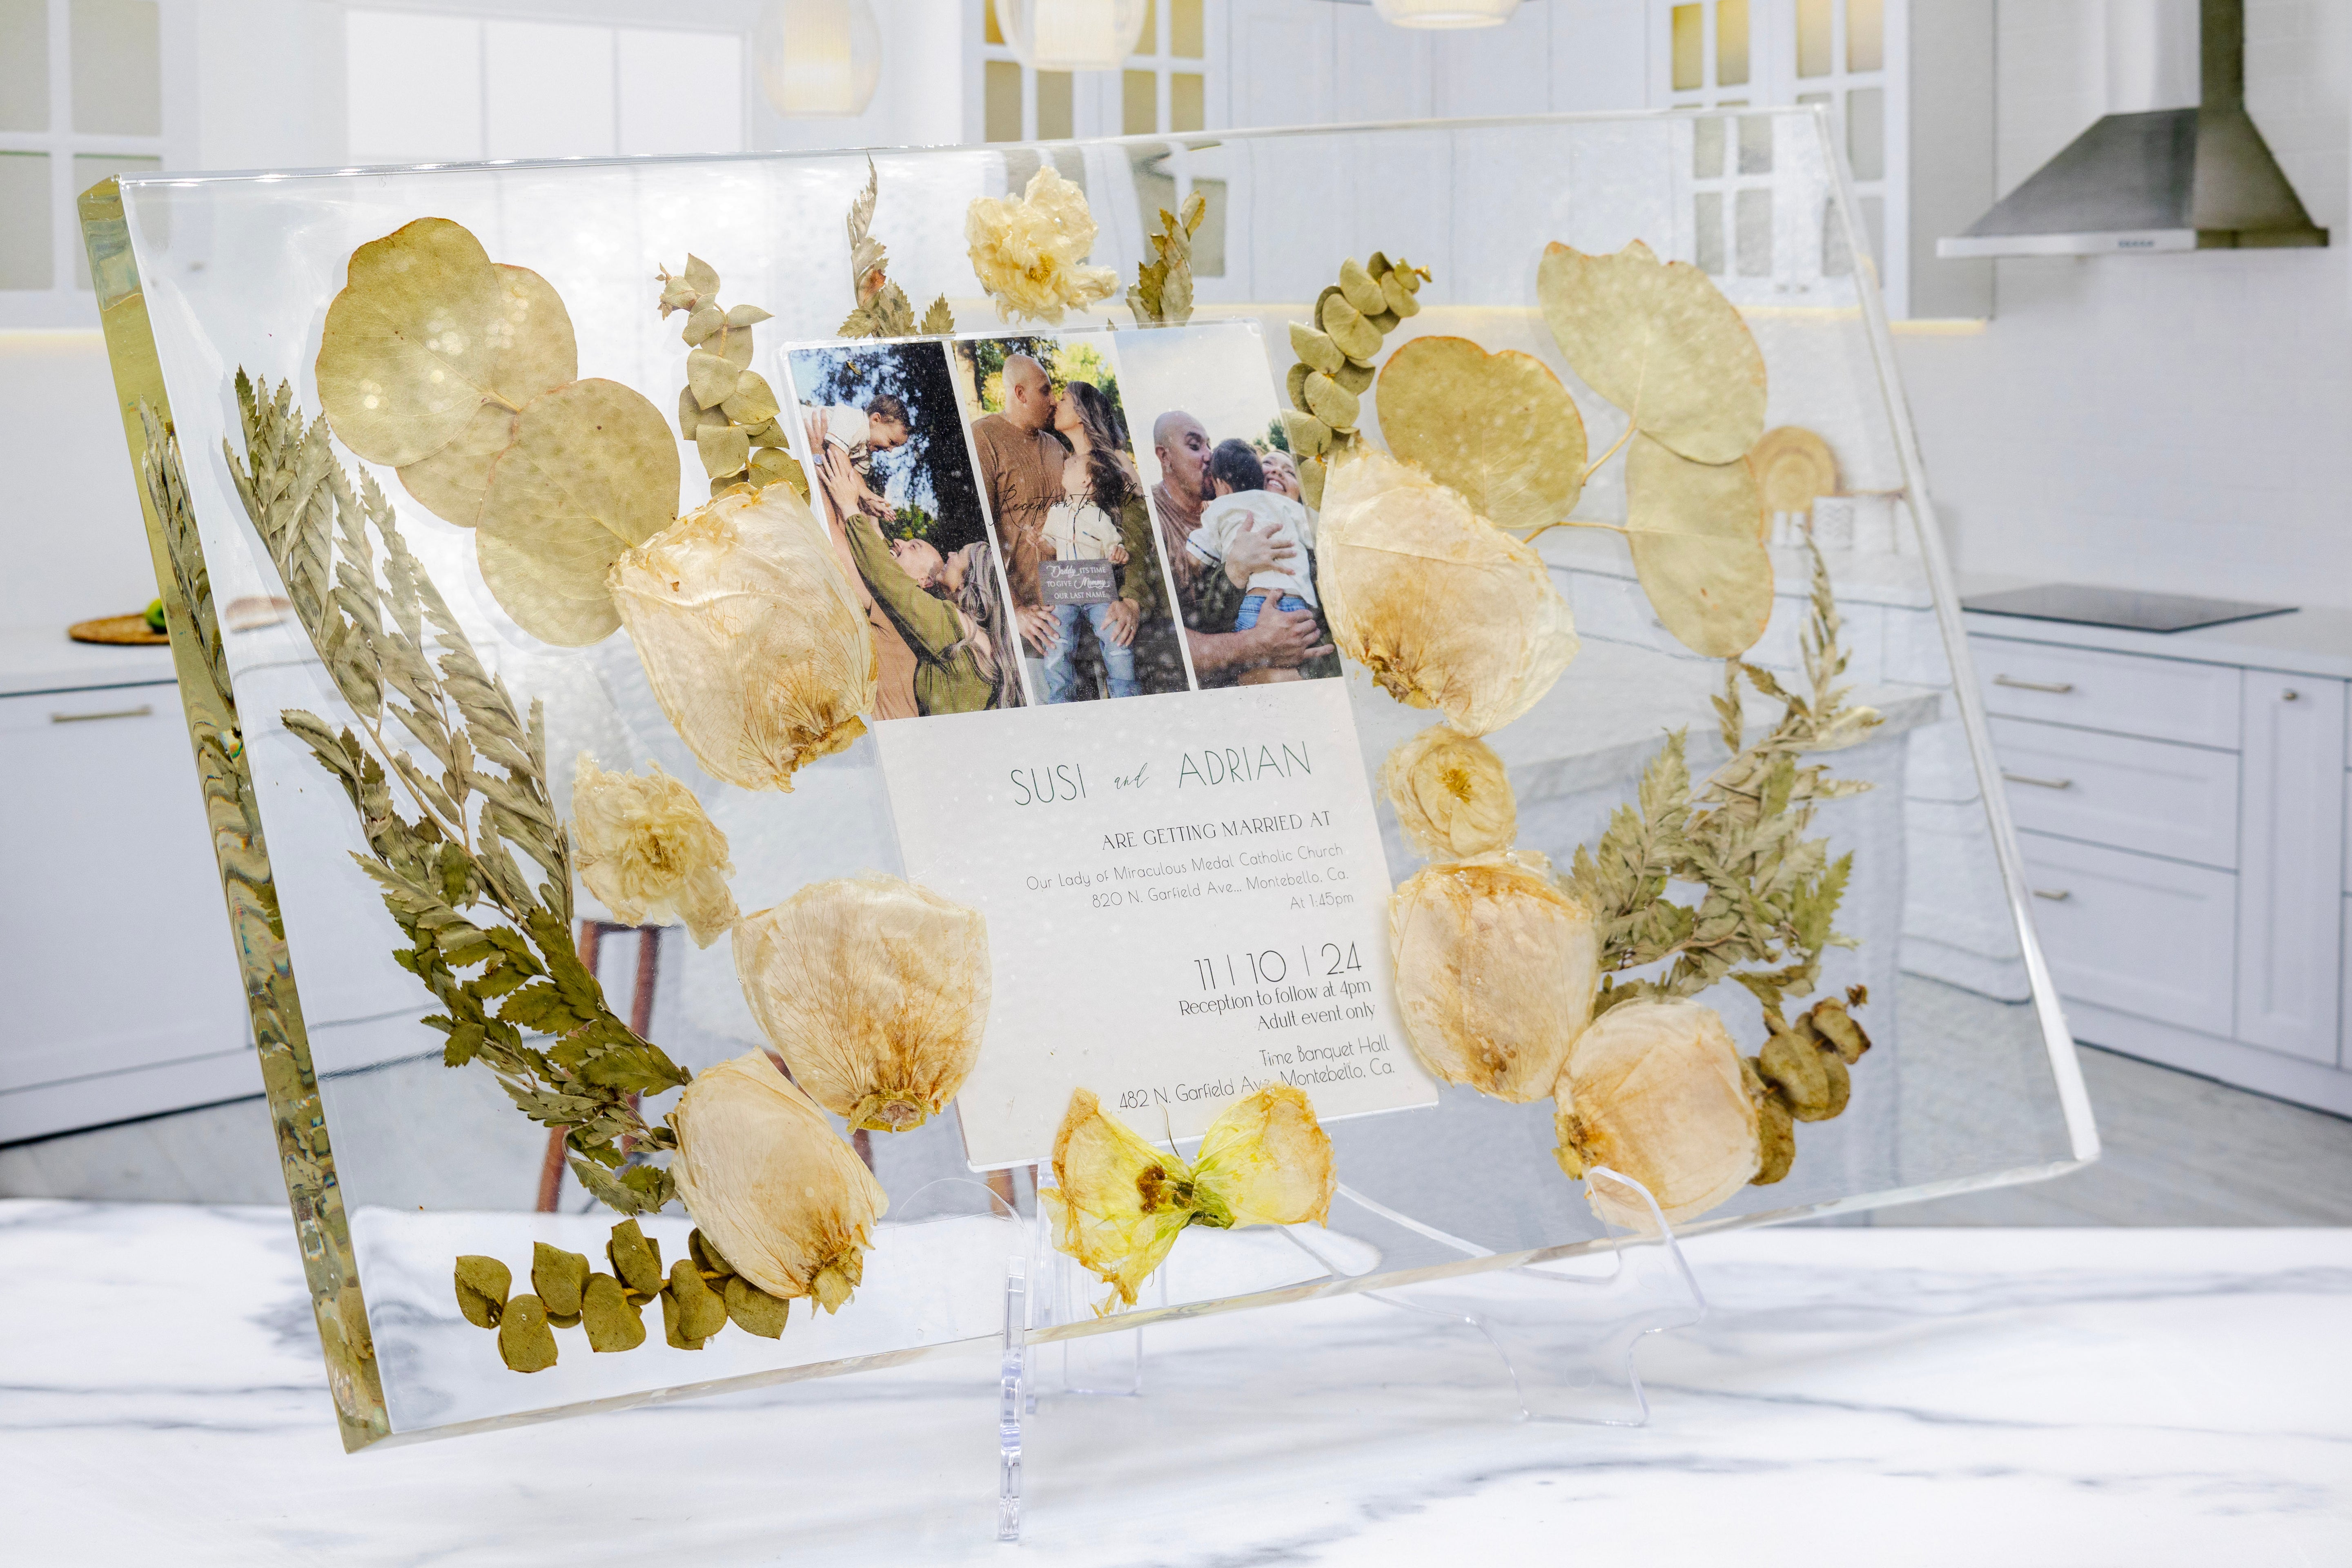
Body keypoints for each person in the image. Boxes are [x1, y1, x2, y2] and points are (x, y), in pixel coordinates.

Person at [819, 448, 1015, 715]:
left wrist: (847, 502)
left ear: (968, 584)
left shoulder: (955, 627)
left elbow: (886, 577)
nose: (951, 553)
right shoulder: (984, 645)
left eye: (961, 556)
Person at [1147, 411, 1328, 689]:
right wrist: (1235, 569)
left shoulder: (1220, 513)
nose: (1210, 456)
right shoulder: (1164, 518)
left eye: (1210, 445)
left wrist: (1295, 677)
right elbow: (1168, 638)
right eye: (1196, 446)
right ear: (1165, 456)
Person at [1038, 380, 1161, 702]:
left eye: (1062, 399)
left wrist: (1133, 601)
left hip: (1115, 602)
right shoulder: (1068, 466)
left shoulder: (1116, 459)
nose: (1054, 403)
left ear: (1081, 413)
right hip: (1077, 600)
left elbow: (1138, 532)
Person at [1183, 440, 1319, 686]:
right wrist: (1236, 568)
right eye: (1268, 464)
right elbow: (1209, 619)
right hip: (1295, 607)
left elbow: (1194, 557)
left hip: (1268, 615)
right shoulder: (1290, 515)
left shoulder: (1223, 511)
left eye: (1290, 472)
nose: (1278, 471)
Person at [965, 354, 1064, 659]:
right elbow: (983, 537)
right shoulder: (983, 437)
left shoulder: (1056, 446)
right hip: (1028, 627)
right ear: (1020, 394)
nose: (1054, 400)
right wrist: (1016, 609)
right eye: (1045, 391)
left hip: (1072, 611)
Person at [799, 394, 911, 473]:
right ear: (876, 420)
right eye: (891, 442)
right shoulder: (856, 421)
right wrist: (861, 491)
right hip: (798, 423)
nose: (890, 450)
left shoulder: (866, 450)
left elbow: (855, 475)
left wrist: (868, 496)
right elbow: (837, 454)